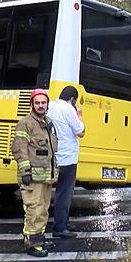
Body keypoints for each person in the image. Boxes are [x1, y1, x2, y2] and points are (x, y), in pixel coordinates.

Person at [11, 88, 58, 257]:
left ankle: (39, 238)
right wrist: (25, 171)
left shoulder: (47, 123)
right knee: (34, 210)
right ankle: (32, 244)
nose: (40, 105)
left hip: (45, 176)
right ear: (32, 104)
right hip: (32, 177)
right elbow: (19, 148)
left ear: (47, 104)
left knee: (43, 210)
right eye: (37, 103)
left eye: (43, 102)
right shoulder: (25, 123)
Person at [48, 85, 85, 239]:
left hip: (53, 156)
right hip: (68, 158)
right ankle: (60, 227)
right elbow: (80, 132)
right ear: (72, 99)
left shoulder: (50, 106)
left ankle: (59, 223)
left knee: (48, 192)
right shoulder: (69, 109)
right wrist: (80, 115)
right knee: (64, 192)